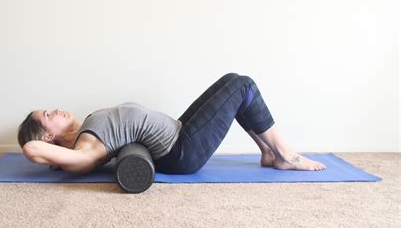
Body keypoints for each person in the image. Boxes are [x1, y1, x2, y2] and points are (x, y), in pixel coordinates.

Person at [17, 73, 326, 174]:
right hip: (182, 150)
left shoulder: (86, 130)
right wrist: (35, 146)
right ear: (47, 136)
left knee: (234, 81)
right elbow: (34, 150)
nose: (54, 110)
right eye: (47, 115)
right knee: (243, 85)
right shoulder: (84, 148)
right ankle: (284, 153)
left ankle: (269, 152)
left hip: (179, 131)